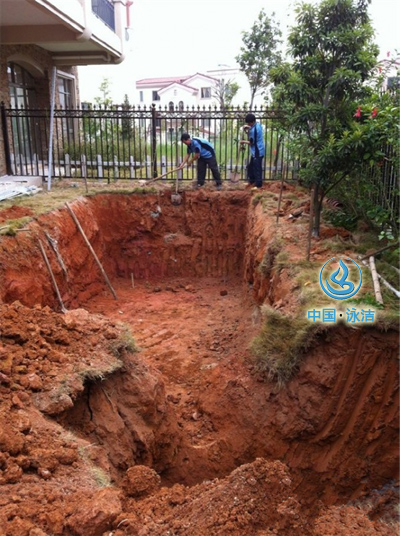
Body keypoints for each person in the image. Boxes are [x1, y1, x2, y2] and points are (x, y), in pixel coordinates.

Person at [239, 113, 265, 188]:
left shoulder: (254, 130)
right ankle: (252, 181)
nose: (248, 124)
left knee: (257, 168)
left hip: (258, 151)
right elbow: (251, 134)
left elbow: (251, 142)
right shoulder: (257, 125)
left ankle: (258, 185)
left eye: (249, 123)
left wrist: (243, 141)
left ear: (253, 121)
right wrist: (247, 129)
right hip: (256, 151)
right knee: (251, 167)